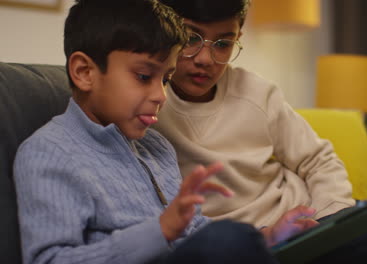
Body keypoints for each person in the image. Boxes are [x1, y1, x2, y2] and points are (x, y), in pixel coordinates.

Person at [154, 0, 367, 263]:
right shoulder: (148, 104)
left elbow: (319, 160)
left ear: (239, 36)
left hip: (310, 221)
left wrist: (333, 219)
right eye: (191, 39)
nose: (206, 59)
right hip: (258, 244)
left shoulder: (256, 93)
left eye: (224, 44)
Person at [13, 1, 320, 263]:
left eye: (166, 79)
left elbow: (195, 231)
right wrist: (159, 231)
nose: (161, 95)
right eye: (144, 76)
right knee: (226, 240)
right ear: (84, 72)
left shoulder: (156, 146)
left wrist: (269, 237)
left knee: (349, 237)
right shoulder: (49, 152)